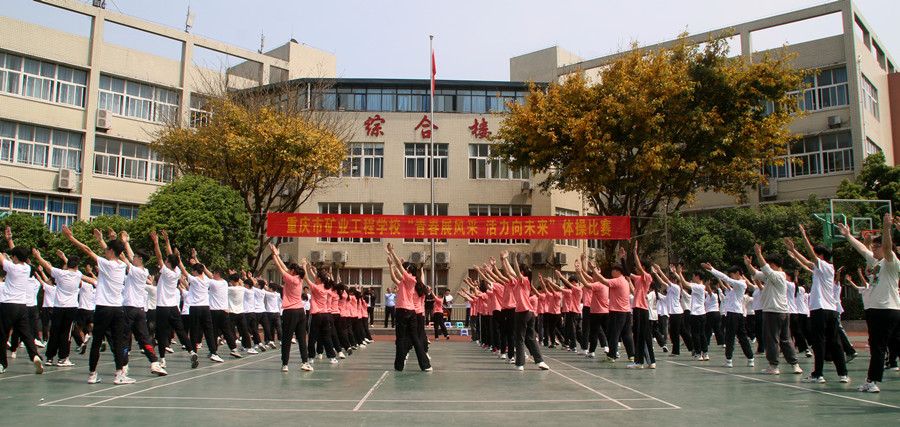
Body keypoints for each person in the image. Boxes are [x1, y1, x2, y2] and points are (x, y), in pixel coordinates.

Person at [62, 225, 133, 384]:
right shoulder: (122, 265)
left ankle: (92, 374)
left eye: (106, 249)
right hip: (117, 309)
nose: (104, 251)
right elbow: (115, 252)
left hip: (102, 308)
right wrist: (102, 240)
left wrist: (71, 238)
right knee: (118, 342)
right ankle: (119, 374)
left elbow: (87, 250)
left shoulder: (106, 264)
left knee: (96, 342)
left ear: (111, 251)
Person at [838, 215, 900, 393]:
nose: (874, 249)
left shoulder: (891, 262)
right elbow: (862, 249)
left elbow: (887, 248)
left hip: (885, 309)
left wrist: (886, 228)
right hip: (880, 309)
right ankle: (872, 380)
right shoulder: (877, 263)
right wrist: (848, 236)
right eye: (874, 246)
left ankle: (872, 382)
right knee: (891, 345)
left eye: (877, 246)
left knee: (878, 347)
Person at [785, 229, 848, 384]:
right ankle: (843, 374)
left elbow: (811, 257)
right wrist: (795, 254)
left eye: (817, 255)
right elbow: (808, 265)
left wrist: (804, 236)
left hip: (820, 309)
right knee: (834, 341)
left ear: (821, 256)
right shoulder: (825, 269)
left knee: (819, 342)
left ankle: (818, 375)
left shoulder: (824, 265)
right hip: (831, 310)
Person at [744, 243, 802, 375]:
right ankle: (794, 365)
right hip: (783, 311)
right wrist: (748, 265)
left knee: (772, 339)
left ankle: (774, 366)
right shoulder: (772, 276)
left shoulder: (778, 275)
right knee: (785, 339)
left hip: (773, 311)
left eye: (769, 264)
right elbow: (756, 273)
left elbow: (765, 268)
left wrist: (759, 254)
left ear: (773, 264)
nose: (767, 266)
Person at [115, 230, 167, 377]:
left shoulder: (135, 271)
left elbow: (124, 258)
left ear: (139, 259)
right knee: (144, 338)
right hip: (140, 310)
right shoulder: (144, 271)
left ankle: (124, 365)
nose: (133, 258)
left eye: (135, 257)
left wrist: (124, 243)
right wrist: (126, 243)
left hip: (130, 308)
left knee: (125, 338)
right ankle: (154, 363)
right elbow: (130, 258)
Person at [149, 230, 197, 370]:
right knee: (180, 331)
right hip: (174, 308)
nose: (164, 261)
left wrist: (156, 242)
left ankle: (162, 359)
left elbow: (159, 256)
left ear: (168, 263)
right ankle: (191, 352)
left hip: (162, 307)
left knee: (161, 333)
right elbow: (172, 257)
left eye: (166, 261)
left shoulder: (166, 272)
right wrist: (167, 240)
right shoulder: (177, 272)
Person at [0, 236, 44, 375]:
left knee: (2, 335)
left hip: (8, 305)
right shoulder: (27, 268)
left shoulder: (12, 268)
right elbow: (17, 254)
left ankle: (2, 364)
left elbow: (2, 259)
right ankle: (35, 356)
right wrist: (9, 240)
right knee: (26, 334)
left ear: (14, 257)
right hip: (22, 307)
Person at [385, 243, 431, 372]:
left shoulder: (411, 279)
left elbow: (400, 268)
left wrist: (392, 252)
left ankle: (399, 365)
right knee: (415, 338)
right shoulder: (405, 282)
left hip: (403, 311)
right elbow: (395, 275)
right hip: (411, 312)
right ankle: (425, 365)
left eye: (405, 270)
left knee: (401, 338)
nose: (403, 272)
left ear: (408, 271)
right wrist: (390, 264)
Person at [501, 251, 549, 371]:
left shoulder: (525, 280)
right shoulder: (517, 282)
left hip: (522, 312)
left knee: (519, 338)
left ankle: (520, 364)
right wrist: (505, 259)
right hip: (529, 313)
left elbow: (516, 272)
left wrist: (515, 259)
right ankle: (540, 361)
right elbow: (511, 272)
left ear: (523, 273)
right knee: (530, 337)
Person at [268, 243, 313, 372]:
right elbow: (284, 267)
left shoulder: (291, 279)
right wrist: (277, 255)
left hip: (290, 312)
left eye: (289, 270)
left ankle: (285, 364)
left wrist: (274, 255)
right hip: (300, 312)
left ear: (292, 271)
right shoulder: (299, 279)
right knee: (301, 339)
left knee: (287, 338)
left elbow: (279, 268)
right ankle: (305, 362)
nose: (287, 270)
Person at [702, 262, 755, 368]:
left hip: (733, 314)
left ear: (738, 273)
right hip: (737, 313)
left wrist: (712, 269)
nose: (731, 277)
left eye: (732, 275)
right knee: (742, 337)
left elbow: (725, 278)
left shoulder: (740, 284)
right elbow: (726, 282)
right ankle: (750, 359)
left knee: (730, 337)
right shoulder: (735, 288)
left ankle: (729, 360)